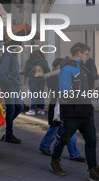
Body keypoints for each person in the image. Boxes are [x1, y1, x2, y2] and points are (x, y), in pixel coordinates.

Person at [50, 42, 99, 180]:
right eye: (86, 54)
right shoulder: (67, 70)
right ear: (79, 53)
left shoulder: (82, 68)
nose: (88, 57)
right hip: (72, 113)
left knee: (91, 141)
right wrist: (86, 95)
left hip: (86, 112)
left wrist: (89, 92)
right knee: (63, 140)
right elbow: (65, 94)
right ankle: (54, 161)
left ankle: (93, 170)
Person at [39, 58, 85, 162]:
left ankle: (73, 153)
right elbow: (59, 90)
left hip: (64, 105)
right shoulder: (57, 76)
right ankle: (45, 145)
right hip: (59, 106)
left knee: (67, 129)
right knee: (57, 128)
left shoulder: (63, 74)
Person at [0, 40, 24, 143]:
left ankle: (4, 127)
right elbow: (1, 73)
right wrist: (9, 84)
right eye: (20, 46)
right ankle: (8, 134)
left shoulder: (12, 56)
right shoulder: (8, 56)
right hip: (9, 87)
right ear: (16, 46)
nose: (21, 48)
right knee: (11, 110)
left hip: (14, 86)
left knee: (19, 107)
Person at [24, 50, 50, 115]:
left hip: (33, 81)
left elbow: (25, 73)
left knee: (34, 95)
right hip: (41, 80)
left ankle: (32, 110)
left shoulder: (29, 62)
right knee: (41, 95)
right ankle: (42, 110)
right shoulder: (42, 62)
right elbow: (48, 70)